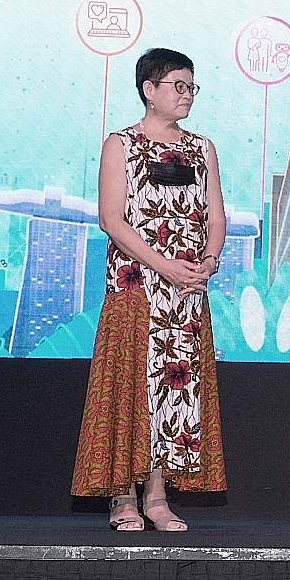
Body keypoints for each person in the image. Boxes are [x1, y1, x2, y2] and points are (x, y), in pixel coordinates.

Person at [71, 48, 228, 531]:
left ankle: (157, 497)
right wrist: (165, 266)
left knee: (174, 394)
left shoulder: (202, 149)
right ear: (149, 90)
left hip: (184, 295)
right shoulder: (121, 144)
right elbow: (110, 220)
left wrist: (208, 261)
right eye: (177, 86)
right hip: (136, 286)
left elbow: (216, 215)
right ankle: (123, 498)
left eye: (191, 87)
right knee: (130, 389)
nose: (186, 95)